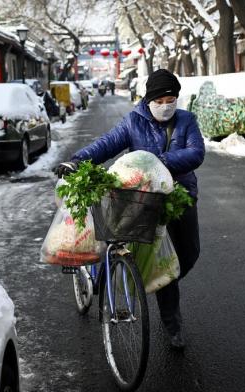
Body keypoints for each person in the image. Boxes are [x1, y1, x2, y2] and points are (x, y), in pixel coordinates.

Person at [58, 69, 205, 349]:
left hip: (180, 196)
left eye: (171, 98)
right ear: (148, 99)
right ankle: (172, 323)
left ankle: (159, 282)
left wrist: (157, 161)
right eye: (160, 99)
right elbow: (107, 144)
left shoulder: (187, 121)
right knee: (165, 264)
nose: (166, 104)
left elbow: (196, 153)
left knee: (188, 255)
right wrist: (77, 160)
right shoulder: (133, 122)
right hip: (144, 198)